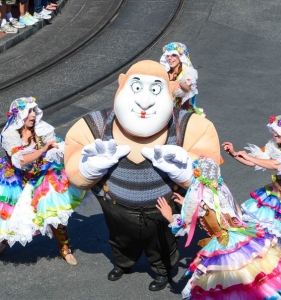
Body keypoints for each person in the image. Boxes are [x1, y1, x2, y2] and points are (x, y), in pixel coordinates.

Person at [64, 60, 220, 291]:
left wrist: (187, 171)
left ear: (168, 91)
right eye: (136, 88)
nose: (144, 101)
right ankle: (123, 263)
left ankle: (162, 271)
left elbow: (211, 174)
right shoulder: (95, 124)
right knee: (119, 238)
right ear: (121, 85)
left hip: (162, 206)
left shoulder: (191, 126)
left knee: (162, 243)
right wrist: (89, 167)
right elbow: (74, 168)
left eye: (155, 90)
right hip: (115, 204)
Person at [157, 156, 281, 300]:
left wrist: (169, 215)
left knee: (229, 281)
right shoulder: (221, 190)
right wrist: (187, 203)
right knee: (254, 273)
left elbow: (184, 225)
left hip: (222, 242)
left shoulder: (199, 200)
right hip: (241, 235)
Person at [0, 96, 86, 265]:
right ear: (20, 115)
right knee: (9, 218)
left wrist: (63, 148)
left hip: (41, 176)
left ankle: (65, 249)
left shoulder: (41, 129)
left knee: (54, 212)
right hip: (16, 179)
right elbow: (21, 161)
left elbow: (55, 145)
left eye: (34, 111)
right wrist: (44, 150)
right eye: (29, 111)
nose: (33, 115)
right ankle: (3, 243)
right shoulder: (9, 134)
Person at [222, 114, 281, 259]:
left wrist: (250, 157)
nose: (273, 133)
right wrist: (234, 154)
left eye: (276, 131)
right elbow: (254, 162)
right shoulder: (275, 144)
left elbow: (277, 165)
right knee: (275, 231)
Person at [159, 42, 204, 116]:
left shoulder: (188, 72)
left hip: (181, 113)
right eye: (168, 56)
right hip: (164, 112)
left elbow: (188, 89)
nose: (170, 58)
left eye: (174, 55)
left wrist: (179, 83)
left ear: (181, 57)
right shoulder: (165, 72)